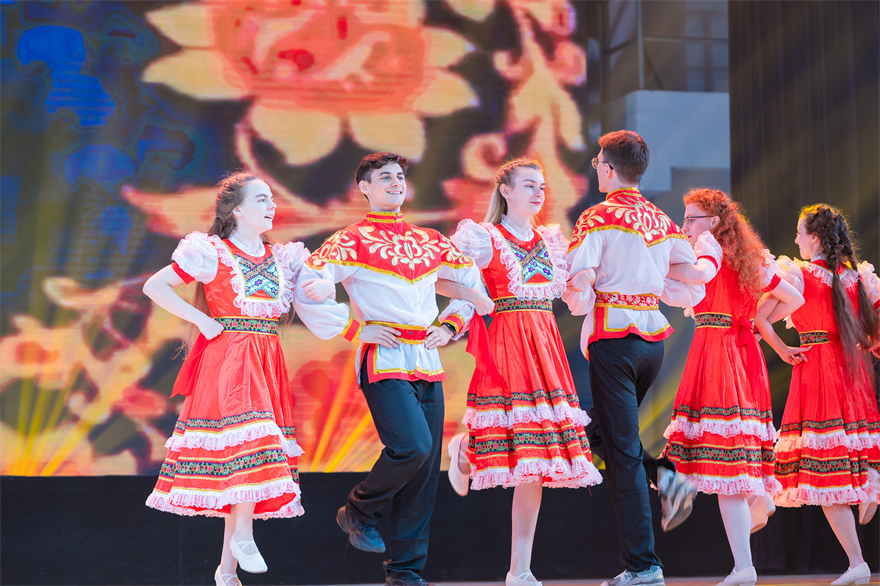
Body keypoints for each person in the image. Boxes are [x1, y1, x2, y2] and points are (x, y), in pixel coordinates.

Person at [293, 152, 484, 586]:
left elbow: (471, 283)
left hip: (427, 359)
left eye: (400, 176)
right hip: (384, 357)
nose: (396, 183)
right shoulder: (350, 239)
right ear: (364, 187)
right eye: (385, 177)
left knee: (425, 468)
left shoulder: (429, 240)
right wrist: (354, 329)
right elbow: (308, 286)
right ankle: (359, 509)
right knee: (413, 446)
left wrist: (450, 325)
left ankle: (405, 572)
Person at [143, 172, 319, 586]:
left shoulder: (283, 257)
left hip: (266, 357)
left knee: (248, 454)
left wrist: (326, 293)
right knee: (251, 443)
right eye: (261, 199)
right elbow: (155, 286)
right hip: (231, 357)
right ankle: (243, 536)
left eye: (272, 198)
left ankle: (226, 572)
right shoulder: (212, 252)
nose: (271, 205)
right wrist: (202, 321)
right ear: (237, 209)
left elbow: (318, 288)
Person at [437, 158, 602, 586]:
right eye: (528, 185)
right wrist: (469, 306)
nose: (538, 192)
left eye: (541, 186)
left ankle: (520, 569)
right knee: (519, 444)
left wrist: (588, 276)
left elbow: (574, 295)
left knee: (537, 461)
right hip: (508, 344)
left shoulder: (551, 241)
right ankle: (466, 448)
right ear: (505, 190)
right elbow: (439, 276)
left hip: (545, 344)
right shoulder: (485, 238)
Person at [564, 130, 719, 586]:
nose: (597, 168)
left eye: (598, 162)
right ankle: (667, 479)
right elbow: (690, 276)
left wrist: (579, 288)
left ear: (609, 169)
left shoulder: (597, 216)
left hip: (614, 339)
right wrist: (706, 257)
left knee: (621, 452)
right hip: (651, 342)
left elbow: (577, 279)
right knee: (605, 435)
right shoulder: (660, 220)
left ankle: (643, 565)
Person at [659, 188, 804, 586]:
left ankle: (743, 564)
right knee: (729, 455)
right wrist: (757, 325)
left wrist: (752, 325)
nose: (685, 225)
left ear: (714, 222)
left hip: (717, 352)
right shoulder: (748, 260)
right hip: (739, 355)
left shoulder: (706, 256)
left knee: (725, 463)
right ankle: (754, 509)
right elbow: (793, 298)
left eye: (691, 219)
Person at [754, 204, 880, 586]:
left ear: (814, 237)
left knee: (825, 475)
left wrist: (781, 349)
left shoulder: (801, 275)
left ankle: (857, 559)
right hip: (851, 373)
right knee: (841, 463)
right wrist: (864, 344)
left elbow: (760, 318)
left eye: (799, 233)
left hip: (818, 372)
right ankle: (869, 490)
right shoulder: (857, 277)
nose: (796, 240)